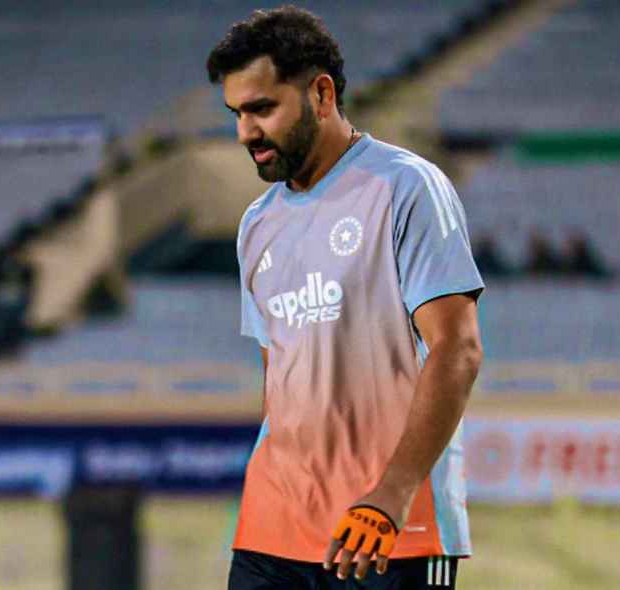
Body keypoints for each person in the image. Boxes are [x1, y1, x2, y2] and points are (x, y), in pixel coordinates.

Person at [207, 7, 485, 589]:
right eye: (237, 114)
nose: (245, 133)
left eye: (262, 109)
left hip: (384, 529)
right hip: (272, 532)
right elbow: (279, 380)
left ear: (322, 94)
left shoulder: (405, 187)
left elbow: (457, 349)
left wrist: (392, 493)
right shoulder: (256, 225)